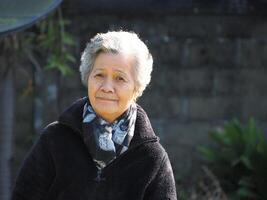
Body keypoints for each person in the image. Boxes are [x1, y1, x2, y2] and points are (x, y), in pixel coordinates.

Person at [11, 31, 177, 200]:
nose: (107, 87)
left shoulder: (152, 157)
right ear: (88, 77)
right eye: (99, 75)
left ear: (136, 88)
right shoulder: (55, 140)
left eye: (120, 78)